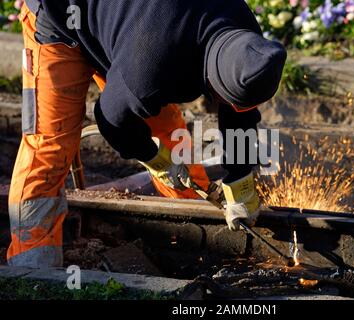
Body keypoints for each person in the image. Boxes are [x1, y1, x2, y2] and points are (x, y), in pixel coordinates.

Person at [8, 0, 287, 268]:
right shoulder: (150, 65)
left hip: (131, 29)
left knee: (170, 137)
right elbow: (111, 120)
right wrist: (155, 159)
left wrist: (241, 180)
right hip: (61, 22)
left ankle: (189, 234)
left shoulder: (245, 34)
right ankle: (32, 266)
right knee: (51, 143)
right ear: (211, 84)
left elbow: (240, 111)